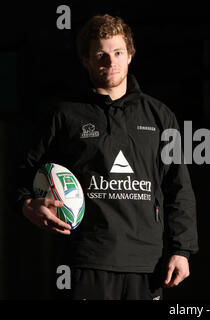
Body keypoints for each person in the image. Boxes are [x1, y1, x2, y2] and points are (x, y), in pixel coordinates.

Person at [15, 14, 198, 300]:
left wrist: (181, 249)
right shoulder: (65, 115)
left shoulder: (159, 116)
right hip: (87, 260)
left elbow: (178, 187)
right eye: (100, 54)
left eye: (117, 52)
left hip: (147, 264)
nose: (110, 62)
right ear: (86, 59)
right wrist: (28, 205)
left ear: (130, 55)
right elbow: (22, 171)